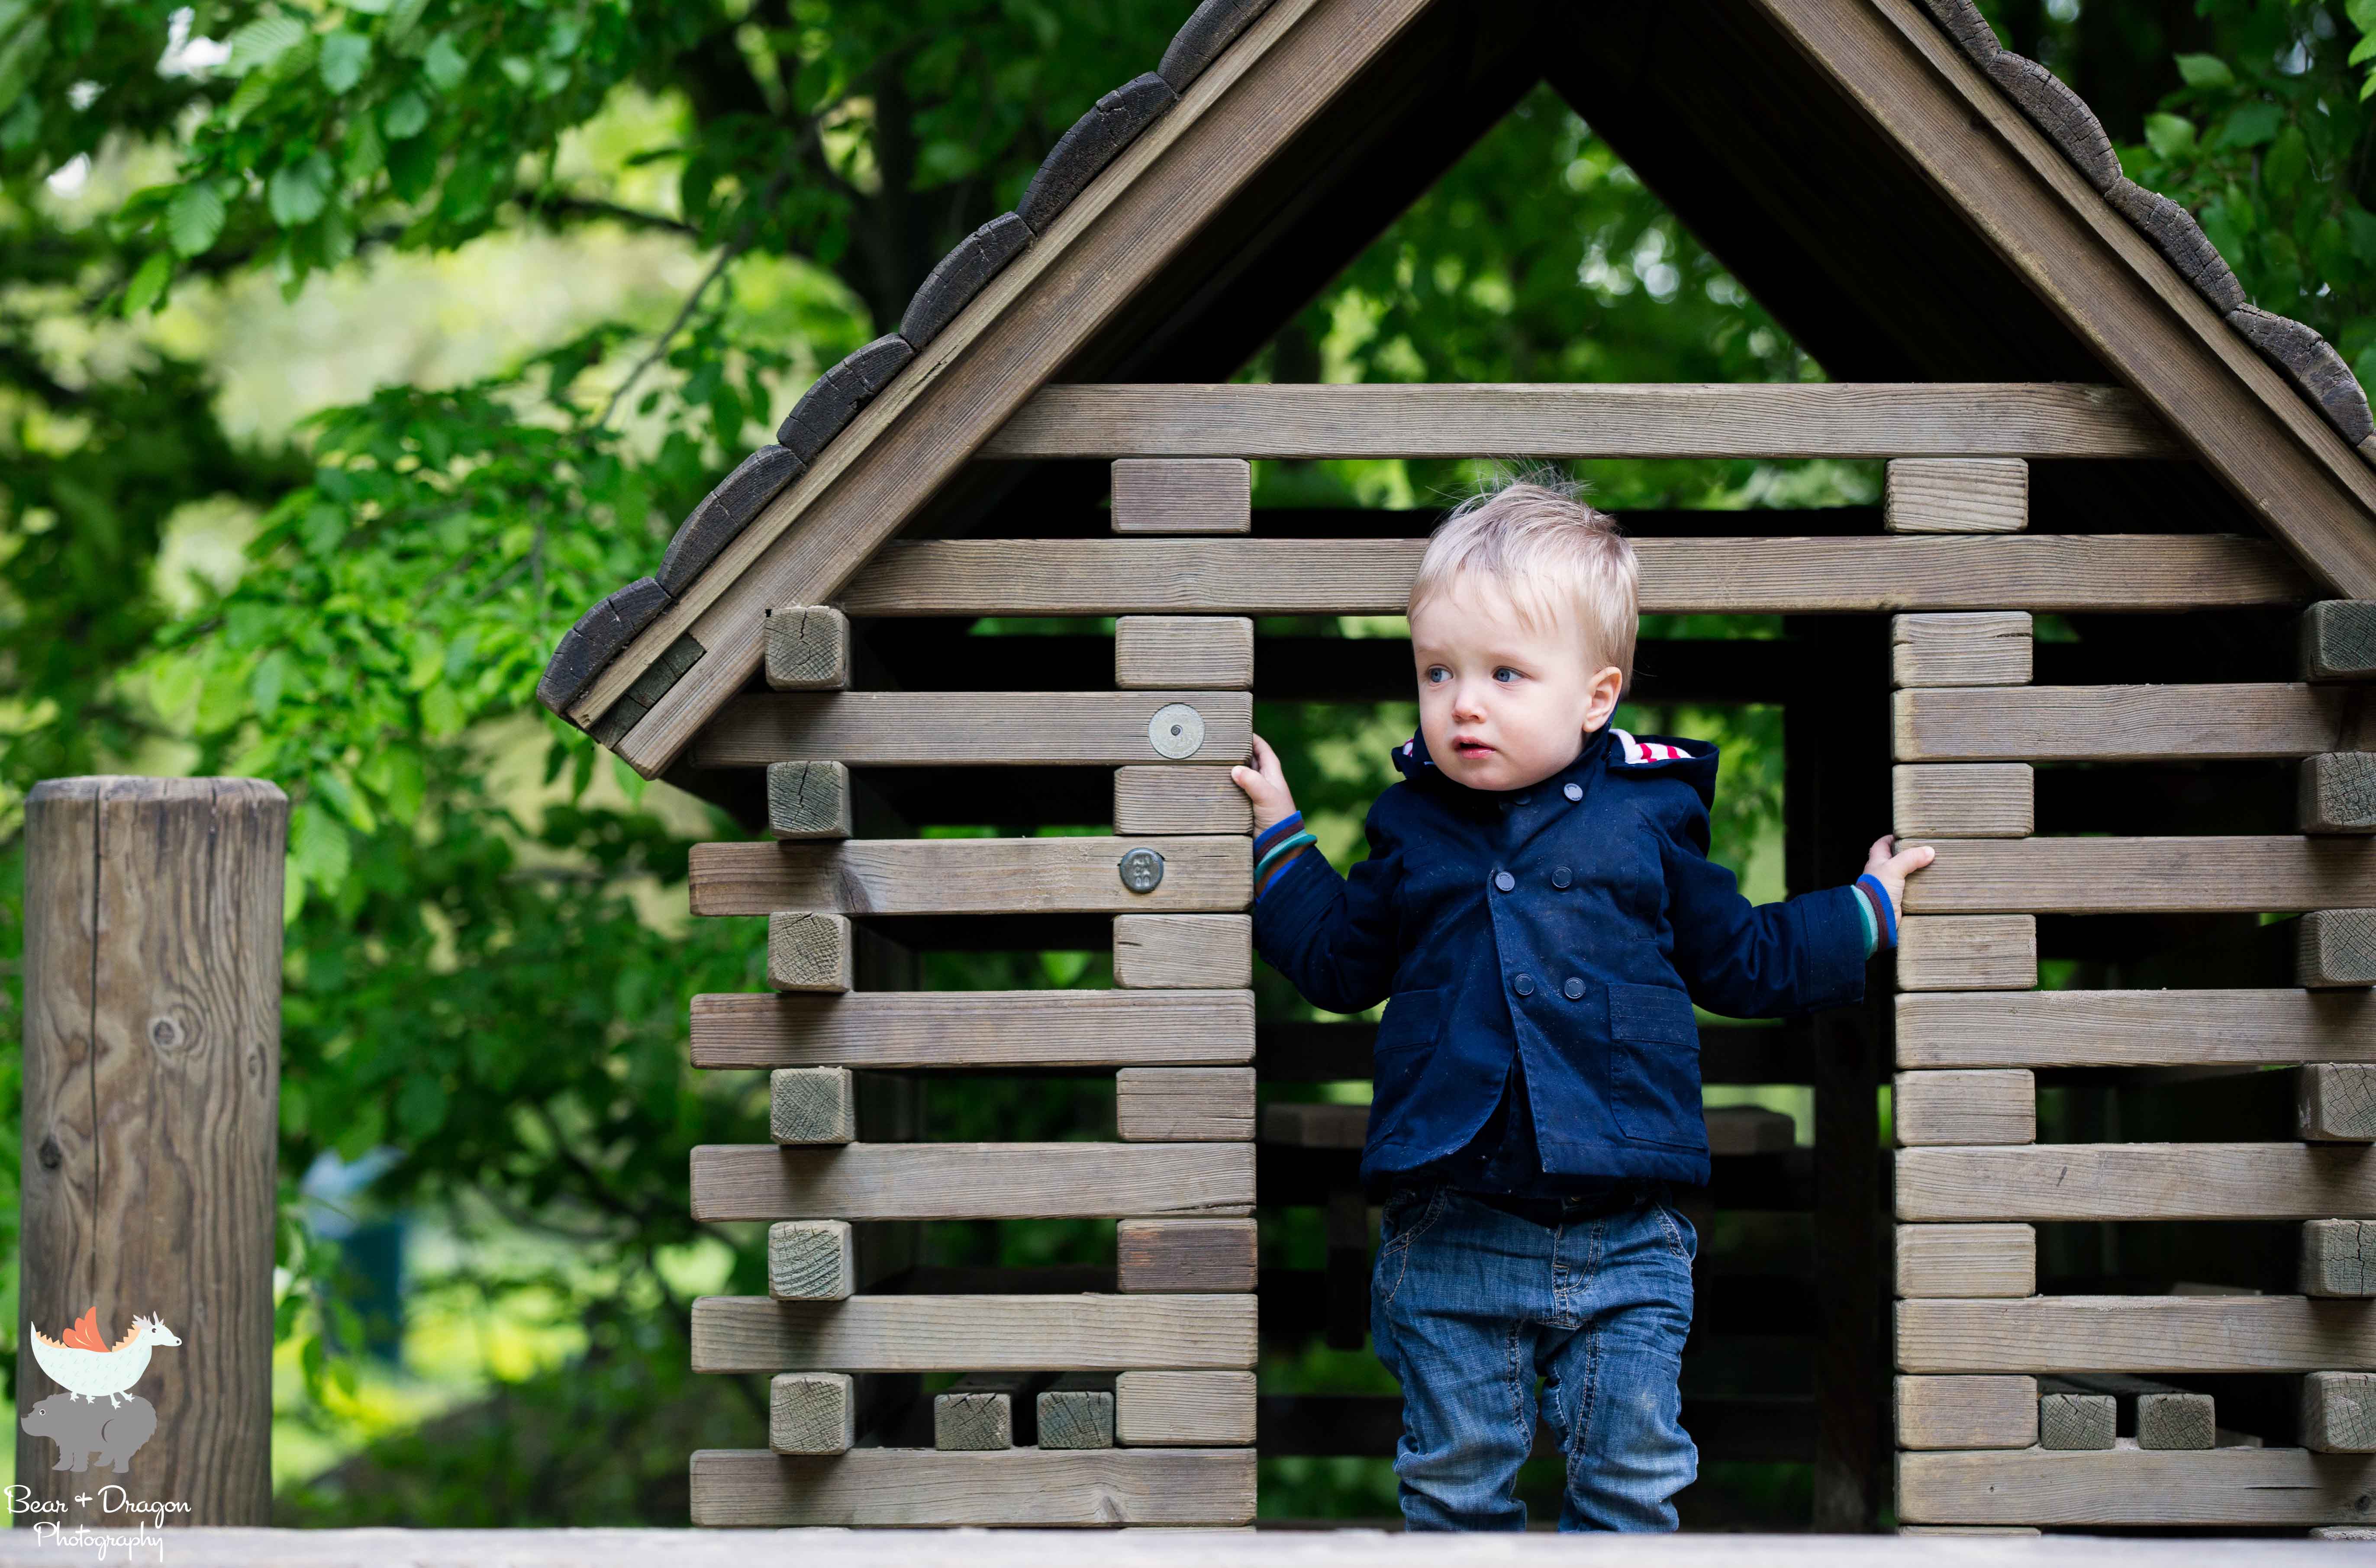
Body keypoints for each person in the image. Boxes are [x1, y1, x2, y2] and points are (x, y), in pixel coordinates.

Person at [1232, 476, 1932, 1532]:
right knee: (1455, 1485)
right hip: (1452, 1226)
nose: (1465, 701)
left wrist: (1866, 909)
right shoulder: (1412, 826)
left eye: (1507, 673)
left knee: (1633, 1479)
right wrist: (1281, 838)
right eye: (1440, 672)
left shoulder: (1648, 820)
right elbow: (1338, 964)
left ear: (1595, 696)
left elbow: (1743, 957)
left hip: (1628, 1238)